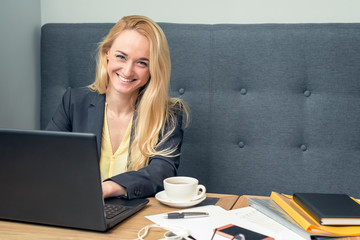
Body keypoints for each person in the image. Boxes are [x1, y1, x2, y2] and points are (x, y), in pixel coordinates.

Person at [46, 15, 189, 200]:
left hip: (135, 218)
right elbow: (48, 158)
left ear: (153, 68)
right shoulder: (74, 101)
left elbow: (162, 172)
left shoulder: (168, 114)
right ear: (107, 53)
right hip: (77, 206)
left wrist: (108, 188)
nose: (128, 71)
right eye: (121, 57)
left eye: (141, 63)